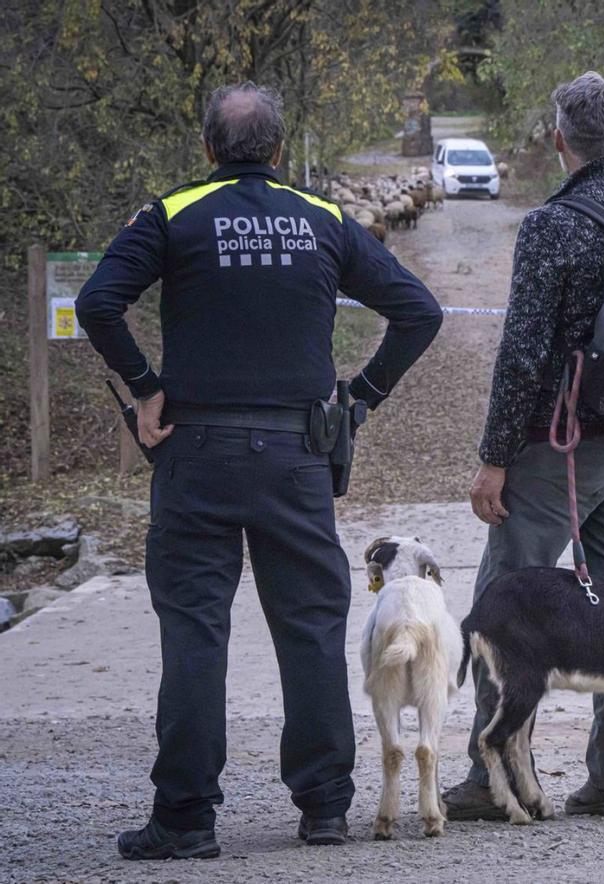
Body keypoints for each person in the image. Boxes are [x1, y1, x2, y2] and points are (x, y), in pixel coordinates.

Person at [75, 82, 443, 859]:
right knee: (310, 629)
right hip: (296, 456)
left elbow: (98, 301)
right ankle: (324, 809)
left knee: (195, 632)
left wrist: (146, 389)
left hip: (194, 453)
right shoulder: (324, 220)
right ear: (279, 151)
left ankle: (185, 819)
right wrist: (361, 398)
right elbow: (419, 311)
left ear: (208, 149)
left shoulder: (171, 215)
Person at [442, 71, 604, 821]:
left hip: (556, 451)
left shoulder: (553, 226)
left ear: (558, 139)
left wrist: (495, 454)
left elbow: (523, 352)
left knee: (505, 608)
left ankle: (490, 779)